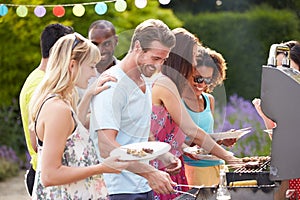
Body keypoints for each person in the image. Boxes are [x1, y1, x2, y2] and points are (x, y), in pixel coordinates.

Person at [28, 33, 129, 199]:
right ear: (73, 65)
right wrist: (102, 167)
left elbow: (72, 135)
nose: (93, 73)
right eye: (91, 66)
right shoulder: (57, 109)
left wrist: (88, 95)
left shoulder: (57, 102)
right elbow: (49, 175)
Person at [89, 19, 180, 200]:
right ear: (137, 47)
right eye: (155, 58)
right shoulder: (113, 84)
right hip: (116, 190)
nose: (158, 66)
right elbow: (106, 146)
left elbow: (136, 131)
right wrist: (149, 172)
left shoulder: (144, 79)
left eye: (163, 59)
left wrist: (163, 155)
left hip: (140, 186)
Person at [150, 28, 240, 199]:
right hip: (163, 167)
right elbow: (191, 130)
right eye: (192, 56)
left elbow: (175, 133)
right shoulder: (164, 84)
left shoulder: (170, 84)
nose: (193, 62)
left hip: (172, 165)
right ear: (181, 56)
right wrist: (229, 157)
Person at [19, 23, 74, 196]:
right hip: (44, 173)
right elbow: (38, 140)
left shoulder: (41, 79)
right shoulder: (41, 84)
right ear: (59, 51)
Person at [253, 40, 300, 200]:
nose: (282, 75)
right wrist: (265, 115)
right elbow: (279, 139)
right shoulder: (285, 98)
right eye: (278, 68)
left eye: (288, 68)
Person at [182, 46, 236, 187]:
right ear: (187, 72)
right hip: (194, 169)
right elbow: (173, 142)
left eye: (208, 80)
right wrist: (194, 142)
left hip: (217, 165)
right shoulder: (177, 102)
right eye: (198, 78)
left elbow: (207, 138)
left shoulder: (209, 100)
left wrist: (222, 140)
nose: (202, 85)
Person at [77, 20, 119, 128]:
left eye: (107, 43)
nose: (100, 50)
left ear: (116, 41)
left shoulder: (128, 74)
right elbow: (75, 122)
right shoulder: (78, 78)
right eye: (95, 44)